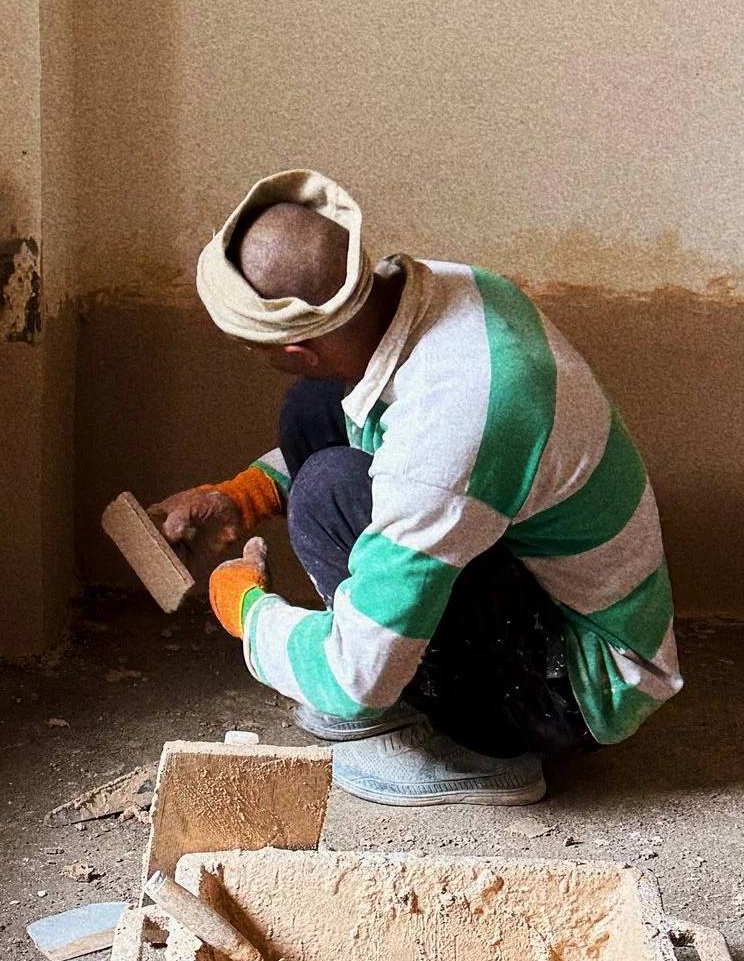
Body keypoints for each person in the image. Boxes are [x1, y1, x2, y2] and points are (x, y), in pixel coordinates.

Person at [150, 167, 680, 804]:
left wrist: (249, 615)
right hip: (535, 569)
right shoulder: (439, 292)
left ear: (295, 350)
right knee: (313, 412)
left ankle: (481, 756)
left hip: (580, 681)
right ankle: (410, 659)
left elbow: (354, 679)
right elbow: (389, 433)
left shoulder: (451, 424)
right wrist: (244, 495)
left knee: (327, 495)